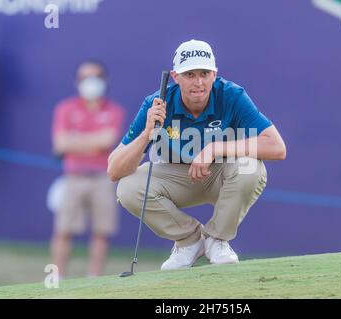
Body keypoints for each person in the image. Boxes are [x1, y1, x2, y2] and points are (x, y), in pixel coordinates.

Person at [108, 40, 286, 271]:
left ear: (215, 74)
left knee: (250, 167)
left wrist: (214, 150)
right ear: (175, 76)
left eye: (204, 73)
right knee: (127, 188)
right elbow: (114, 170)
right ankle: (190, 241)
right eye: (190, 74)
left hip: (220, 175)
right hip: (175, 178)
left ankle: (217, 240)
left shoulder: (231, 95)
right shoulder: (157, 103)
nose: (198, 82)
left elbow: (276, 147)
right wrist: (146, 134)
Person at [51, 61, 125, 278]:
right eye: (85, 77)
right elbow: (61, 144)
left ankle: (94, 279)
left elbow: (108, 140)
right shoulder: (65, 108)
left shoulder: (114, 110)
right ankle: (57, 277)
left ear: (105, 80)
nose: (90, 82)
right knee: (64, 230)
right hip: (73, 177)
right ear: (77, 81)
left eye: (95, 77)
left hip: (104, 178)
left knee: (102, 231)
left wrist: (76, 140)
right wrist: (92, 143)